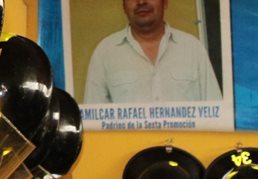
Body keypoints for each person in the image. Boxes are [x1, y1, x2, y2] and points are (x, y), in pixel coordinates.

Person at [84, 0, 221, 103]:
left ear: (165, 2)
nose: (141, 2)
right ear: (123, 6)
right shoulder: (105, 52)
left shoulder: (193, 48)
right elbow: (93, 123)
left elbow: (216, 113)